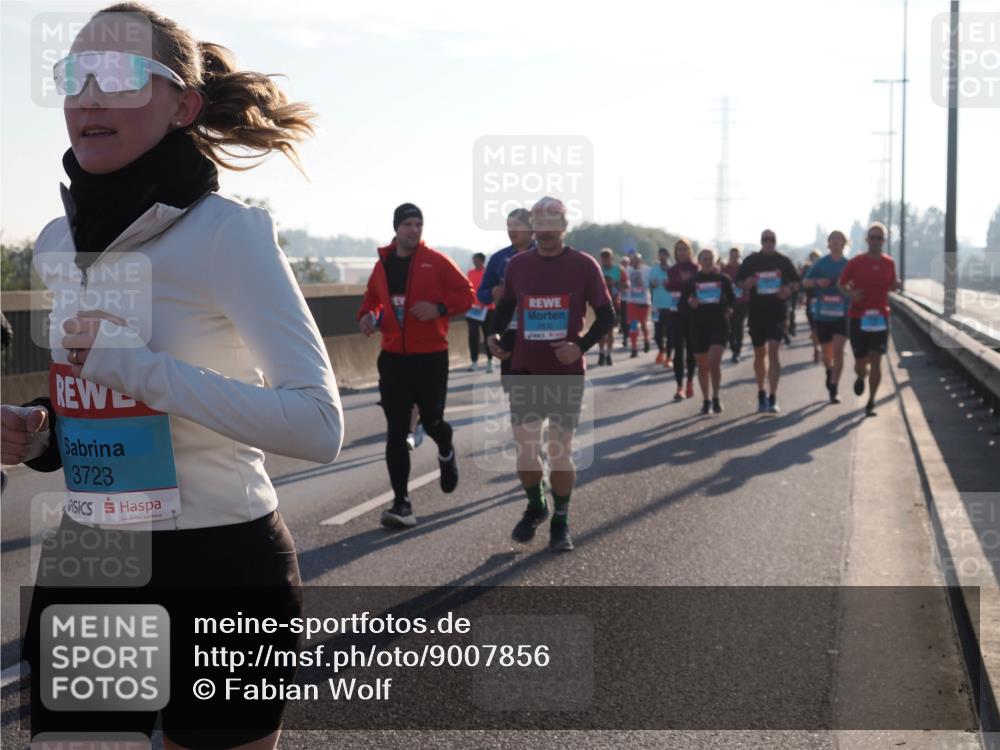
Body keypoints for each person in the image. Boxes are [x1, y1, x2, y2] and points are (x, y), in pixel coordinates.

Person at [2, 5, 344, 748]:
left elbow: (319, 425)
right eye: (73, 76)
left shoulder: (228, 233)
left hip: (219, 564)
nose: (88, 97)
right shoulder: (57, 243)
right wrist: (37, 434)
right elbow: (96, 402)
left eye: (120, 76)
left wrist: (146, 371)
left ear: (182, 105)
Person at [488, 197, 615, 552]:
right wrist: (492, 336)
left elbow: (608, 317)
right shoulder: (518, 265)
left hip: (565, 372)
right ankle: (536, 505)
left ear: (563, 224)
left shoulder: (584, 265)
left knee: (560, 452)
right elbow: (506, 307)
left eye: (551, 216)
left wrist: (581, 345)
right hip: (525, 369)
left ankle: (561, 519)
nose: (544, 223)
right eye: (537, 217)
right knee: (526, 451)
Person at [358, 203, 475, 527]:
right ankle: (402, 504)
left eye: (418, 224)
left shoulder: (435, 261)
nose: (414, 229)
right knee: (396, 431)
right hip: (393, 357)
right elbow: (372, 298)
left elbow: (467, 295)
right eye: (408, 224)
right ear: (396, 228)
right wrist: (367, 316)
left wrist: (438, 307)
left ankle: (446, 450)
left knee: (434, 421)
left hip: (430, 357)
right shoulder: (383, 264)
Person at [838, 222, 900, 417]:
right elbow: (841, 284)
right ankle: (860, 375)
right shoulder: (856, 262)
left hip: (880, 317)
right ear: (867, 240)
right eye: (872, 237)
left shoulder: (889, 262)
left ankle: (871, 401)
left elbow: (892, 285)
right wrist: (851, 294)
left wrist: (896, 285)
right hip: (858, 317)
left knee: (877, 360)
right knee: (860, 361)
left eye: (879, 238)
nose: (875, 241)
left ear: (884, 241)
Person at [735, 229, 800, 414]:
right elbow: (738, 282)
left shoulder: (783, 261)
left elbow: (797, 283)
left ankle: (773, 396)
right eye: (765, 239)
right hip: (756, 312)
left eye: (771, 239)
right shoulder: (752, 260)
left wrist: (788, 289)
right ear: (761, 241)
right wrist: (746, 283)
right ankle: (761, 392)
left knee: (773, 352)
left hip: (777, 312)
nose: (768, 242)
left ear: (776, 241)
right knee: (759, 354)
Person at [477, 208, 535, 379]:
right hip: (509, 332)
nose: (511, 230)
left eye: (517, 225)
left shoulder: (546, 254)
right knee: (517, 396)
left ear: (531, 228)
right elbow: (481, 294)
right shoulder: (498, 258)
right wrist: (493, 292)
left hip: (541, 330)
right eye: (509, 225)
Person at [682, 248, 736, 415]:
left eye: (710, 258)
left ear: (715, 260)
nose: (707, 261)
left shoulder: (723, 279)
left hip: (718, 325)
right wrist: (691, 302)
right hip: (698, 327)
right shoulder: (692, 281)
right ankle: (706, 400)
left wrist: (729, 308)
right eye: (704, 258)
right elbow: (683, 303)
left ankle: (716, 396)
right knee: (703, 366)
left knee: (714, 362)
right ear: (699, 261)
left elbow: (733, 299)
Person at [804, 233, 850, 403]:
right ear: (828, 244)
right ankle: (829, 372)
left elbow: (857, 284)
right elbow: (805, 283)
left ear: (845, 244)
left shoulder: (849, 264)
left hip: (842, 314)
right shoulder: (821, 263)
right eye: (833, 240)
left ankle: (835, 387)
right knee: (827, 354)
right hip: (823, 315)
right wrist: (817, 282)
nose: (837, 243)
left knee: (839, 351)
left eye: (840, 240)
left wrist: (847, 288)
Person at [666, 238, 698, 400]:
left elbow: (696, 288)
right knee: (678, 351)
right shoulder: (672, 270)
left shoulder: (696, 269)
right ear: (675, 252)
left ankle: (690, 381)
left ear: (690, 251)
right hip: (675, 313)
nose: (682, 252)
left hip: (692, 314)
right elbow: (670, 286)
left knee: (691, 350)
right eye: (679, 249)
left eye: (685, 249)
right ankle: (679, 387)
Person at [598, 248, 628, 366]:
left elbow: (626, 284)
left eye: (607, 258)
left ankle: (609, 354)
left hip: (614, 303)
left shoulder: (618, 270)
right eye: (603, 258)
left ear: (612, 258)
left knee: (610, 331)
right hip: (599, 304)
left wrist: (616, 284)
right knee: (600, 331)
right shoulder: (597, 269)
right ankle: (601, 353)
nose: (605, 261)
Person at [465, 252, 494, 372]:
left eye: (476, 260)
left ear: (482, 261)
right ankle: (474, 362)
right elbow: (467, 289)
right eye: (473, 260)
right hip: (473, 310)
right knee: (473, 336)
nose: (474, 262)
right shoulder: (470, 273)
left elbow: (493, 290)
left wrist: (484, 303)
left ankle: (490, 361)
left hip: (488, 309)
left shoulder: (489, 273)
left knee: (488, 335)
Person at [622, 250, 651, 357]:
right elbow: (622, 282)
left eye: (637, 261)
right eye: (633, 261)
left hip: (644, 302)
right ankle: (634, 348)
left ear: (641, 261)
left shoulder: (648, 270)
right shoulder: (627, 271)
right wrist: (623, 286)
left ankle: (646, 339)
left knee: (643, 324)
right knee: (633, 325)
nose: (635, 263)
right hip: (631, 302)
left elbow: (652, 283)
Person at [649, 247, 674, 367]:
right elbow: (649, 286)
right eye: (660, 255)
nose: (662, 257)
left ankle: (668, 357)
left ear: (668, 256)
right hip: (657, 306)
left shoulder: (673, 270)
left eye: (664, 255)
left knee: (670, 333)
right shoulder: (653, 270)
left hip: (670, 305)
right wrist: (652, 285)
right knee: (657, 335)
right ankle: (662, 350)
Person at [722, 246, 747, 362]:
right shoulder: (725, 269)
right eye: (732, 255)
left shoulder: (743, 269)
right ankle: (733, 348)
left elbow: (748, 283)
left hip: (742, 301)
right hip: (729, 302)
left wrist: (743, 285)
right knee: (730, 328)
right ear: (729, 256)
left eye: (736, 255)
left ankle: (737, 350)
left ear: (739, 256)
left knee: (739, 325)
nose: (734, 258)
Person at [800, 250, 823, 363]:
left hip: (824, 302)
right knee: (814, 328)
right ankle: (816, 349)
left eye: (816, 257)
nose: (814, 260)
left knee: (822, 328)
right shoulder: (806, 269)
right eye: (812, 257)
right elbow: (802, 284)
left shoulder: (824, 268)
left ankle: (824, 348)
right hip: (811, 301)